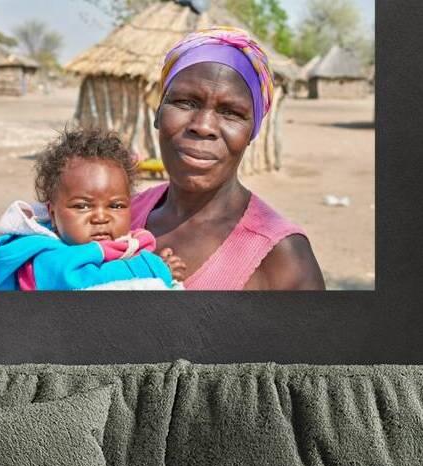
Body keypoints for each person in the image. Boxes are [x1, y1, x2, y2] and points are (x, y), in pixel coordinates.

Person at [131, 27, 325, 290]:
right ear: (158, 113)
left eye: (231, 112)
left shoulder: (281, 259)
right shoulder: (120, 215)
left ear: (252, 132)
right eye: (185, 102)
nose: (203, 126)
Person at [0, 128, 186, 290]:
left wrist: (157, 262)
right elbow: (84, 280)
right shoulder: (45, 257)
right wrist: (153, 269)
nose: (101, 217)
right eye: (82, 206)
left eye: (116, 206)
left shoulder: (125, 243)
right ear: (52, 213)